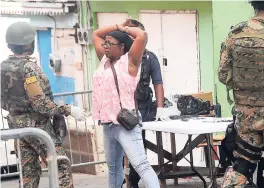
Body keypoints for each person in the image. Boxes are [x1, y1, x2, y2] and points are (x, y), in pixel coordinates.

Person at [1, 22, 86, 188]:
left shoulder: (2, 67)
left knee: (28, 172)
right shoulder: (29, 68)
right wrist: (68, 109)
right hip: (38, 128)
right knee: (61, 166)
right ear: (29, 43)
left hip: (18, 128)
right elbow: (40, 104)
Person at [218, 0, 264, 187]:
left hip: (245, 116)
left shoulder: (235, 34)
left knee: (242, 164)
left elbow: (223, 75)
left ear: (253, 4)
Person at [92, 18, 160, 188]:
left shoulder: (130, 62)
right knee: (114, 168)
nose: (105, 46)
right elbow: (96, 34)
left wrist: (125, 29)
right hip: (108, 124)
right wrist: (116, 26)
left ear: (121, 47)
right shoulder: (104, 61)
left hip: (124, 123)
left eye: (110, 43)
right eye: (105, 43)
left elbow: (142, 35)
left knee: (141, 166)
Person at [123, 19, 169, 188]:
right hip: (122, 108)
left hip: (142, 107)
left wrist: (160, 108)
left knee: (138, 145)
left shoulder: (150, 58)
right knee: (122, 147)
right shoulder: (120, 56)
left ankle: (134, 181)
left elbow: (158, 83)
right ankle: (125, 179)